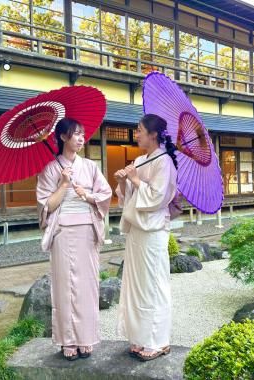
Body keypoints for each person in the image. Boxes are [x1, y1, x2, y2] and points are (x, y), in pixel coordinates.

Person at [36, 118, 112, 361]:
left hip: (86, 232)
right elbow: (47, 206)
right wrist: (64, 184)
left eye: (82, 134)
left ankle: (85, 338)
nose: (81, 138)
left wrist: (86, 194)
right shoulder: (50, 169)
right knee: (64, 287)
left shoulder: (90, 166)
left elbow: (105, 194)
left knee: (87, 286)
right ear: (62, 137)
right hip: (62, 233)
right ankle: (68, 341)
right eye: (75, 134)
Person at [114, 113, 178, 361]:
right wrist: (123, 182)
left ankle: (159, 340)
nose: (136, 134)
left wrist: (136, 180)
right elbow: (128, 196)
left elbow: (158, 197)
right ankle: (140, 338)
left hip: (153, 230)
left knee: (153, 284)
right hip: (137, 228)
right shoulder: (141, 159)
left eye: (139, 130)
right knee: (136, 284)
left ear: (153, 134)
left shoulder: (165, 163)